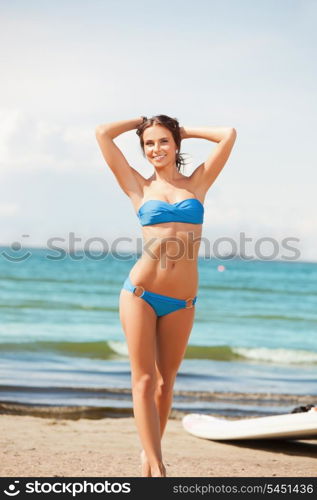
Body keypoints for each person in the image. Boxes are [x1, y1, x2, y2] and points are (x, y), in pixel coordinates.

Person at [95, 115, 236, 477]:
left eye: (163, 142)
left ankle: (149, 454)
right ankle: (156, 464)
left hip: (182, 302)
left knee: (165, 382)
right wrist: (142, 122)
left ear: (176, 146)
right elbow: (103, 134)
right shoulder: (137, 187)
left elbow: (227, 135)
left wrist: (182, 130)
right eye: (148, 144)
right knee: (142, 379)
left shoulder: (198, 183)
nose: (155, 149)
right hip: (140, 294)